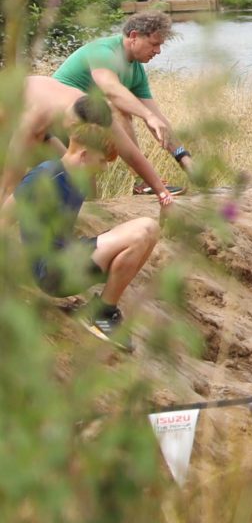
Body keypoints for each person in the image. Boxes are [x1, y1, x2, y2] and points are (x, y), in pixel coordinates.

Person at [6, 98, 163, 342]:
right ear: (84, 154)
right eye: (101, 161)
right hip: (52, 271)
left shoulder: (76, 180)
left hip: (67, 259)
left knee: (149, 231)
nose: (103, 169)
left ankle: (102, 310)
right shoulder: (46, 175)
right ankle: (100, 314)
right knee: (144, 229)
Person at [51, 12, 189, 199]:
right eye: (154, 44)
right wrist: (148, 116)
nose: (158, 51)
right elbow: (111, 89)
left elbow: (158, 120)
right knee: (116, 109)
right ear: (134, 36)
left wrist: (184, 159)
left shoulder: (136, 70)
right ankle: (141, 182)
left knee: (90, 199)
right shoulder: (103, 51)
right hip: (52, 124)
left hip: (80, 128)